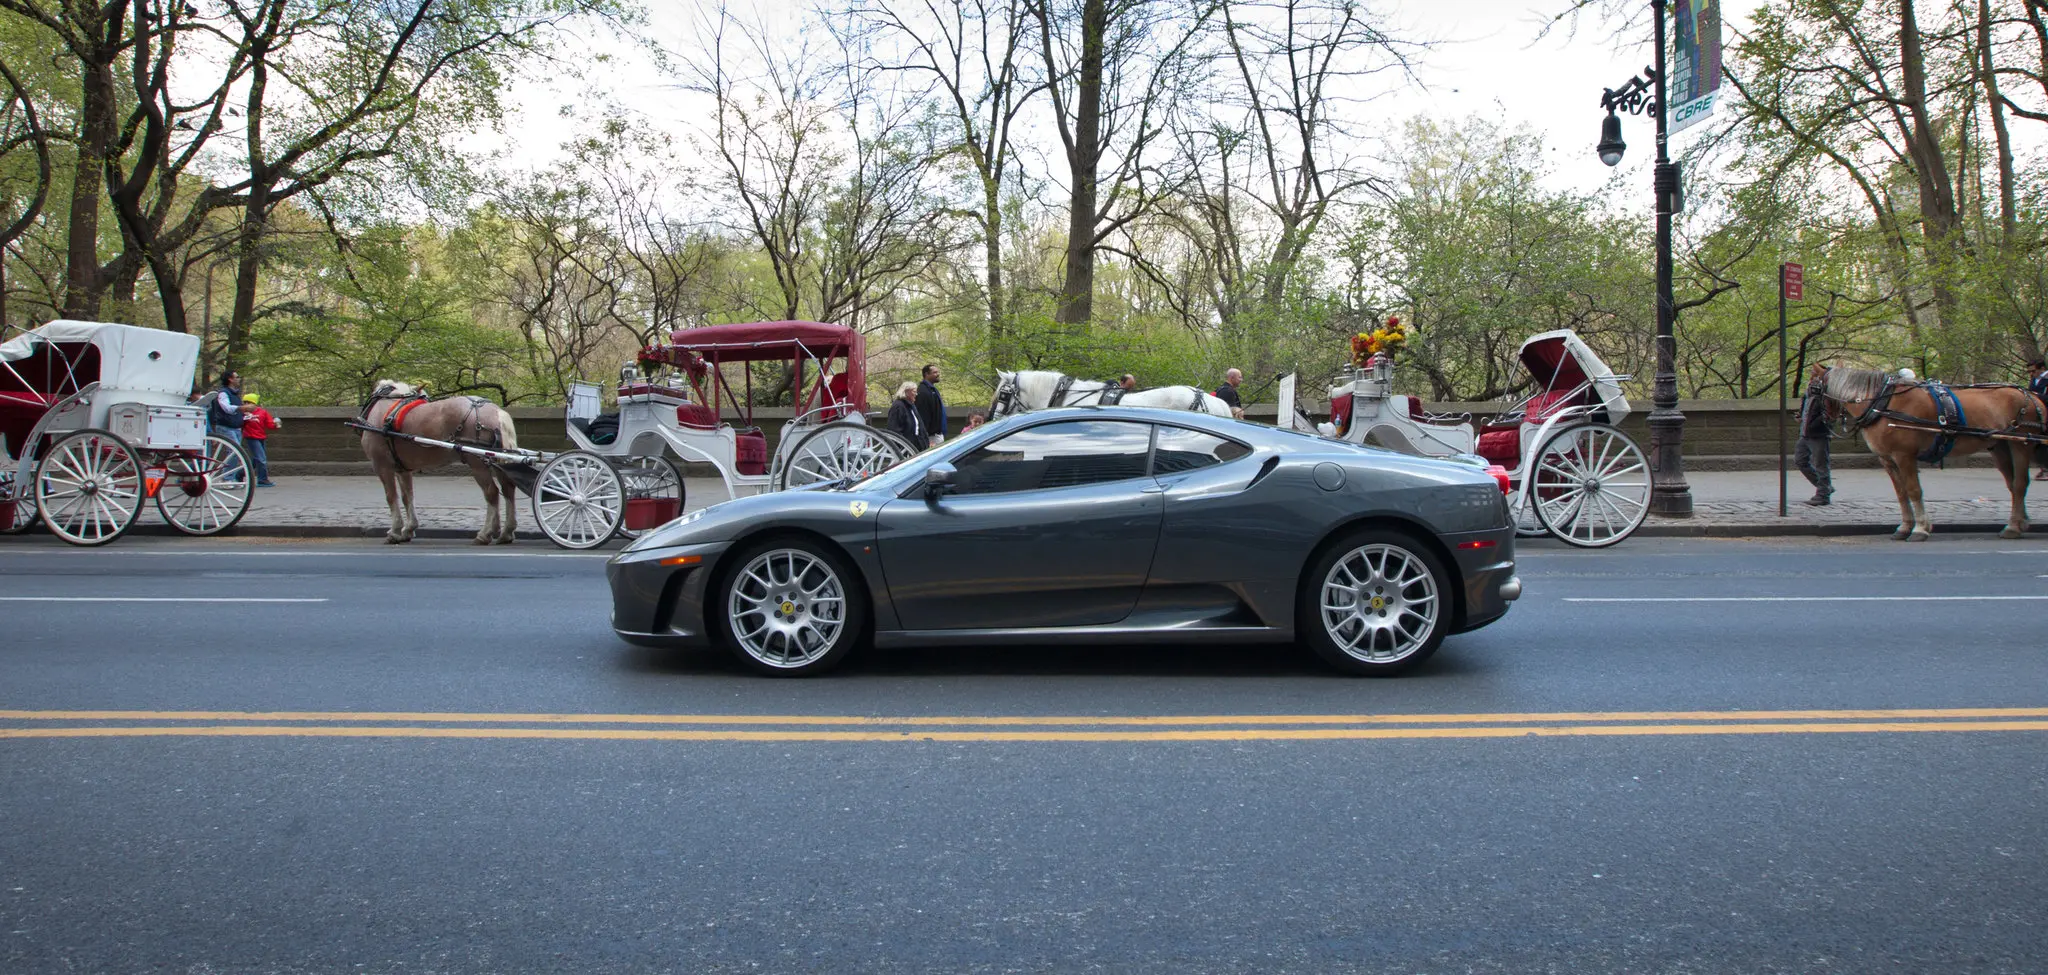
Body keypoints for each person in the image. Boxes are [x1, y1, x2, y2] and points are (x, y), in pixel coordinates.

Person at [1796, 362, 1833, 506]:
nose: (1811, 373)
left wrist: (1815, 423)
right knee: (1801, 460)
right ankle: (1825, 487)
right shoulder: (1810, 390)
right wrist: (1801, 417)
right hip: (1805, 432)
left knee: (1820, 464)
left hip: (1818, 433)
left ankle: (1823, 494)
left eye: (1814, 371)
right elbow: (1806, 408)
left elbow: (1829, 413)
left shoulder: (1825, 390)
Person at [239, 392, 281, 487]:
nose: (246, 405)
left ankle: (239, 474)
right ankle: (262, 480)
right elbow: (239, 424)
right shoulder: (243, 413)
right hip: (251, 438)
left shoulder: (262, 412)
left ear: (255, 404)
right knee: (261, 459)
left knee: (254, 461)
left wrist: (276, 424)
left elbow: (269, 424)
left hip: (261, 437)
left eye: (249, 403)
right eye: (245, 403)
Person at [206, 370, 246, 445]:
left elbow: (236, 410)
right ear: (230, 379)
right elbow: (227, 408)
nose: (239, 379)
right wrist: (241, 408)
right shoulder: (223, 393)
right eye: (237, 377)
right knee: (234, 452)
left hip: (236, 427)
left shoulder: (234, 394)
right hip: (226, 427)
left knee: (235, 452)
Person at [888, 381, 928, 450]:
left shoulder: (911, 406)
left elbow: (920, 427)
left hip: (917, 446)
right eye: (914, 391)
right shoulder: (898, 406)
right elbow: (894, 430)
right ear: (906, 392)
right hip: (905, 448)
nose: (916, 394)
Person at [916, 363, 946, 447]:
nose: (938, 374)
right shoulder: (923, 391)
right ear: (926, 374)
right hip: (931, 437)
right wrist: (926, 437)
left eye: (938, 372)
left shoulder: (932, 390)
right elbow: (923, 415)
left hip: (937, 434)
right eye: (935, 372)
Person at [2027, 361, 2048, 480]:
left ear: (2042, 368)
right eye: (2029, 372)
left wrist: (2036, 396)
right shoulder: (2034, 380)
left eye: (2033, 371)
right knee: (2038, 442)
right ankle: (2043, 467)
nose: (2031, 374)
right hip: (2038, 414)